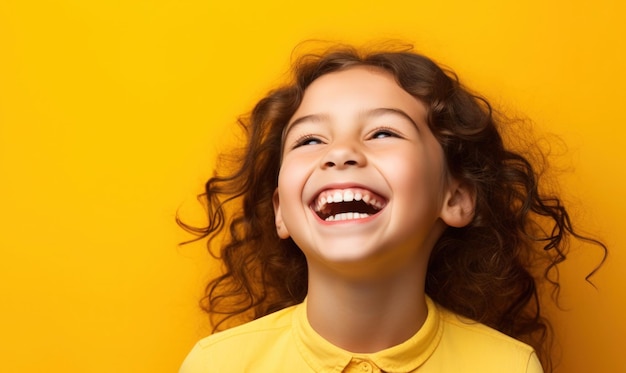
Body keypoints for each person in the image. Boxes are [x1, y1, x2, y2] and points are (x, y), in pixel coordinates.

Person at [178, 43, 606, 373]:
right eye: (310, 140)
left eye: (383, 132)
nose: (340, 153)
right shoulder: (218, 365)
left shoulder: (509, 367)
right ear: (281, 213)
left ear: (454, 198)